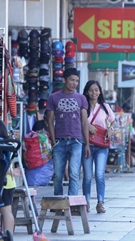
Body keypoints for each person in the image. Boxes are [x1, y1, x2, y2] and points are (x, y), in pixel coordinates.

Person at [45, 68, 91, 196]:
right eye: (72, 80)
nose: (74, 83)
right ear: (64, 80)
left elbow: (84, 122)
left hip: (76, 141)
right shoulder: (54, 97)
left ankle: (72, 203)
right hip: (59, 141)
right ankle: (58, 203)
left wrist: (86, 143)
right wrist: (53, 140)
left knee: (74, 173)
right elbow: (50, 120)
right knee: (58, 175)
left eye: (76, 81)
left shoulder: (81, 98)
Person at [81, 80, 115, 213]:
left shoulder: (105, 106)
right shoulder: (83, 106)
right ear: (86, 92)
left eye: (96, 90)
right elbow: (80, 121)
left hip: (101, 146)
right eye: (91, 90)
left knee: (100, 175)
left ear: (100, 91)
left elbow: (112, 121)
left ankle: (100, 202)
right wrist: (88, 126)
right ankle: (86, 202)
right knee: (88, 176)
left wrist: (110, 129)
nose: (93, 93)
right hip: (87, 144)